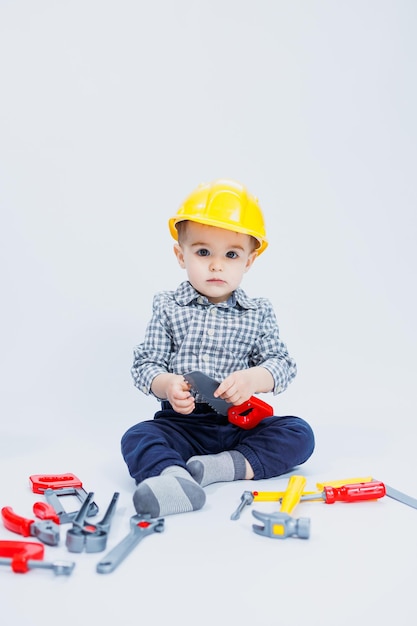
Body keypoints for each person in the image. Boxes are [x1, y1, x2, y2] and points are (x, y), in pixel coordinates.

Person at [121, 179, 315, 517]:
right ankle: (174, 478)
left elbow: (283, 364)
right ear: (181, 256)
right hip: (182, 424)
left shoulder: (258, 312)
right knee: (138, 436)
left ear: (249, 261)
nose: (216, 264)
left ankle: (221, 468)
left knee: (299, 434)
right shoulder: (168, 306)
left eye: (231, 254)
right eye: (202, 252)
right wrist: (166, 384)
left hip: (239, 425)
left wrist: (255, 378)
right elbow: (145, 363)